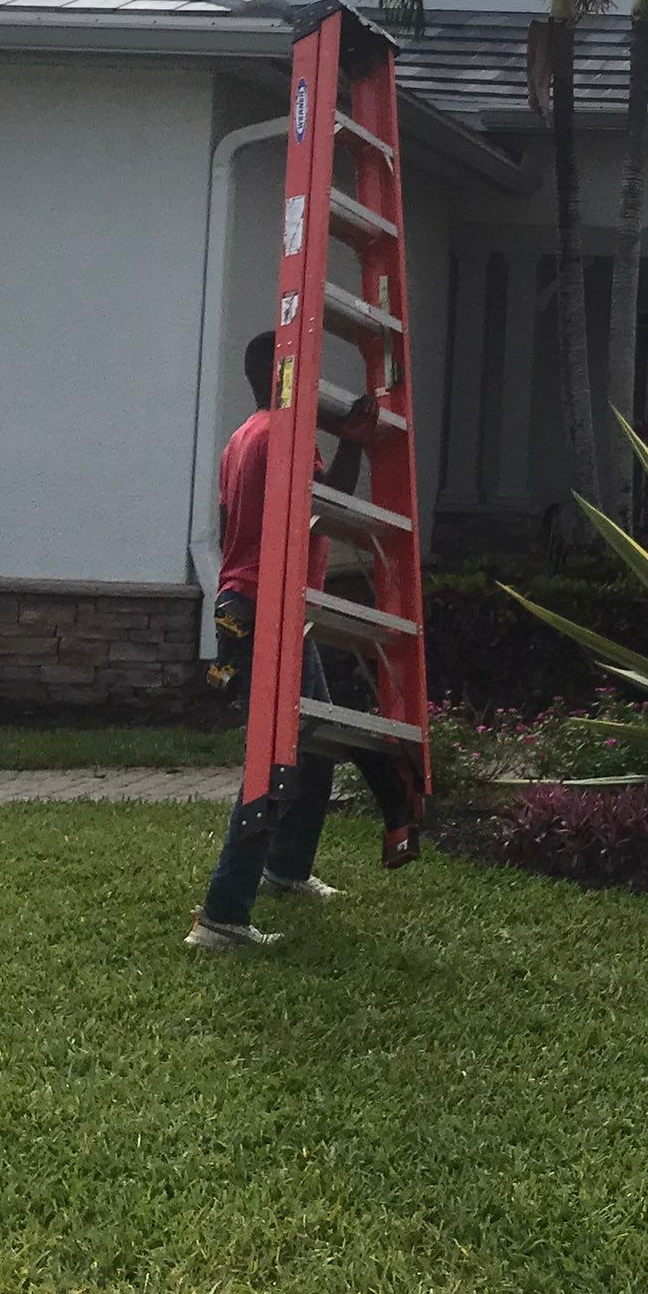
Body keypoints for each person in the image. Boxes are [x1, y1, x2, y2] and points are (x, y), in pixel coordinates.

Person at [188, 330, 409, 951]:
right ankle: (222, 915)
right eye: (304, 375)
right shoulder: (283, 436)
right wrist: (354, 441)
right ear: (280, 378)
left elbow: (234, 526)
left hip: (254, 602)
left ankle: (287, 868)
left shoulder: (243, 436)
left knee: (313, 746)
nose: (311, 387)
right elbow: (326, 502)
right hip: (269, 608)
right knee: (277, 757)